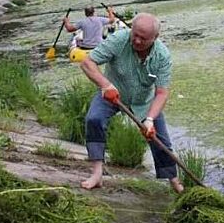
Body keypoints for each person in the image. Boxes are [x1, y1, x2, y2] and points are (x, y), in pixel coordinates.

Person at [79, 13, 184, 193]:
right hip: (113, 93)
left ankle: (175, 182)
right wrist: (105, 85)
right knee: (94, 119)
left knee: (159, 140)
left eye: (143, 38)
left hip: (144, 101)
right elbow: (88, 63)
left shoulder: (162, 56)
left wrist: (150, 119)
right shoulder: (119, 40)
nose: (136, 41)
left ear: (155, 38)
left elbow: (161, 92)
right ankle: (97, 174)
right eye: (134, 34)